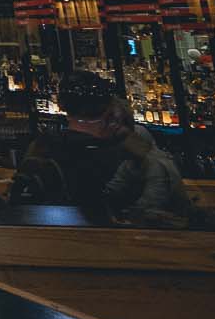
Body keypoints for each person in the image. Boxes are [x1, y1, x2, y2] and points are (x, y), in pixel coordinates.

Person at [8, 72, 129, 222]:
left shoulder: (44, 144)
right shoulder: (112, 151)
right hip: (102, 236)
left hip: (41, 228)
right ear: (109, 112)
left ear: (62, 106)